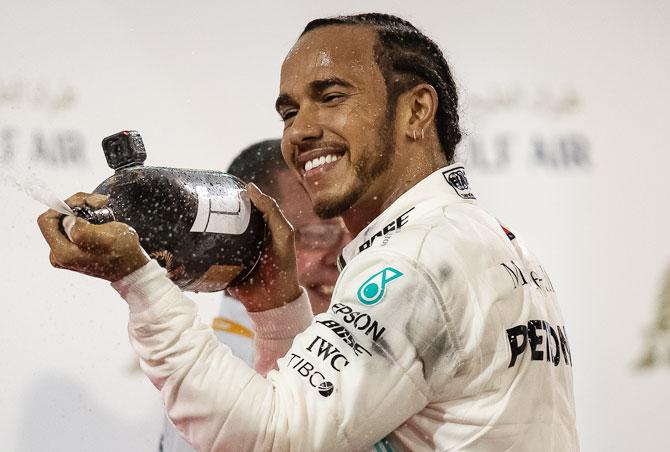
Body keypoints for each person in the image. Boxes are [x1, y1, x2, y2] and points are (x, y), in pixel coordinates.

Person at [38, 13, 579, 451]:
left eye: (332, 96)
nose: (300, 129)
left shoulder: (418, 259)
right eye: (289, 110)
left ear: (416, 109)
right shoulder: (477, 237)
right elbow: (322, 428)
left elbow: (274, 440)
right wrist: (277, 313)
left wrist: (140, 281)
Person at [159, 139, 351, 451]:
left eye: (352, 232)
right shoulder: (218, 380)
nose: (343, 255)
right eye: (318, 235)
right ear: (247, 244)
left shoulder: (363, 347)